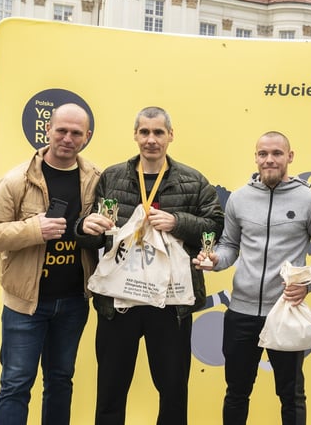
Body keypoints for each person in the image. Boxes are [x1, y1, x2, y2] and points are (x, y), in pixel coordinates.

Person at [79, 106, 224, 425]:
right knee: (110, 392)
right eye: (144, 132)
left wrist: (178, 222)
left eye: (158, 132)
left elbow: (215, 227)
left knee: (173, 392)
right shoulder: (112, 177)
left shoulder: (193, 180)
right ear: (135, 135)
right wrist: (85, 228)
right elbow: (95, 235)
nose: (151, 139)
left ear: (170, 135)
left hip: (170, 304)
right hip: (119, 302)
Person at [0, 103, 100, 425]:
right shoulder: (17, 179)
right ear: (47, 130)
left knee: (61, 381)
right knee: (15, 385)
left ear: (87, 136)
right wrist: (33, 230)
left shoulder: (96, 179)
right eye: (61, 130)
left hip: (73, 301)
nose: (67, 138)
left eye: (75, 133)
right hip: (25, 304)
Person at [194, 131, 311, 425]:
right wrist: (216, 260)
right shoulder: (239, 199)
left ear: (290, 156)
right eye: (263, 154)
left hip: (285, 312)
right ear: (256, 157)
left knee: (291, 396)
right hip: (241, 313)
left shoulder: (310, 201)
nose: (269, 159)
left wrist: (309, 282)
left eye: (277, 153)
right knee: (236, 393)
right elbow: (229, 246)